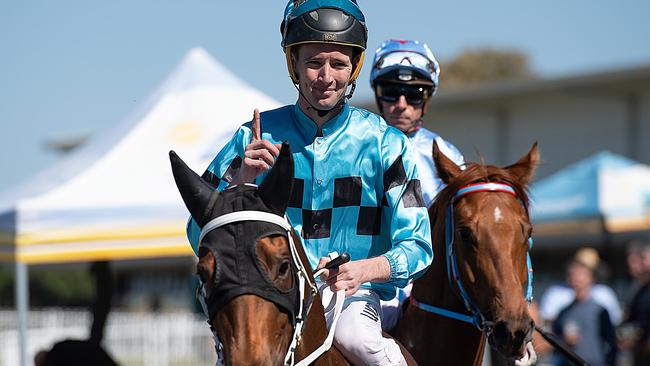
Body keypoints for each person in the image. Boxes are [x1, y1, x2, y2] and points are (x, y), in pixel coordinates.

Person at [186, 1, 433, 365]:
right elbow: (197, 233)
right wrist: (240, 181)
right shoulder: (250, 138)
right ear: (294, 65)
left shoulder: (387, 144)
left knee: (362, 342)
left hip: (352, 297)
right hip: (274, 294)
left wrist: (365, 270)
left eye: (338, 64)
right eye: (314, 62)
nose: (326, 76)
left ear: (354, 69)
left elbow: (418, 245)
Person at [368, 39, 464, 331]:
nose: (401, 104)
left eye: (414, 94)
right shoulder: (354, 144)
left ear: (428, 97)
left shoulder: (448, 155)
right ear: (376, 93)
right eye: (391, 92)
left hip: (431, 287)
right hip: (369, 283)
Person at [551, 258, 618, 366]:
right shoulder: (563, 312)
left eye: (581, 274)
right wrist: (564, 340)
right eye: (572, 275)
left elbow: (611, 343)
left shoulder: (600, 311)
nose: (576, 279)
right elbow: (554, 342)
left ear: (592, 278)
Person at [539, 247, 622, 326]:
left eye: (583, 271)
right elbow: (546, 321)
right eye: (575, 270)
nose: (577, 275)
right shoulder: (555, 292)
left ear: (593, 275)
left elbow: (615, 321)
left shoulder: (604, 293)